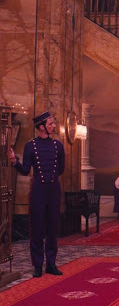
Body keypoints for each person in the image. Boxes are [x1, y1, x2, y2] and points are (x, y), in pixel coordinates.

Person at [8, 111, 65, 278]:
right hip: (38, 191)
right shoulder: (30, 146)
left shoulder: (58, 146)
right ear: (41, 127)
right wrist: (15, 162)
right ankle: (38, 265)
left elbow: (61, 169)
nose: (54, 126)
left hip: (54, 190)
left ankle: (51, 264)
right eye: (51, 124)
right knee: (37, 228)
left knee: (53, 228)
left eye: (53, 123)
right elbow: (26, 170)